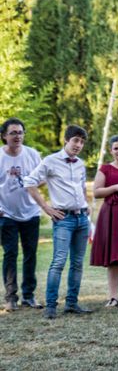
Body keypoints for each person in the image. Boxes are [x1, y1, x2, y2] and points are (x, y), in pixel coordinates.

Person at [24, 125, 92, 319]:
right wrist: (46, 208)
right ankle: (51, 305)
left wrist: (86, 206)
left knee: (77, 263)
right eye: (75, 140)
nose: (78, 145)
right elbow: (29, 182)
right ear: (66, 140)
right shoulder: (50, 161)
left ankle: (72, 303)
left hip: (82, 218)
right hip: (63, 219)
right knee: (59, 262)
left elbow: (80, 187)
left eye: (81, 142)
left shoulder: (80, 163)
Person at [0, 118, 43, 311]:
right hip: (6, 213)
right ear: (4, 136)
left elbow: (42, 178)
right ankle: (10, 297)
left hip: (31, 212)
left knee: (30, 254)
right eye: (13, 133)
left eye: (20, 132)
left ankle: (29, 296)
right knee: (10, 253)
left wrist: (31, 184)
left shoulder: (32, 154)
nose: (17, 136)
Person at [90, 135, 118, 307]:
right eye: (116, 148)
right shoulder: (106, 169)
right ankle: (113, 296)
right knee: (114, 257)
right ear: (111, 151)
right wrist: (116, 188)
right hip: (111, 214)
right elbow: (97, 192)